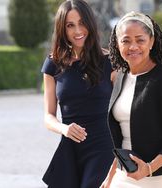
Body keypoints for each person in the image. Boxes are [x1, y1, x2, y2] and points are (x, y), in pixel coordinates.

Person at [101, 11, 162, 188]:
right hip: (124, 175)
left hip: (161, 178)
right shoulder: (119, 77)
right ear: (117, 44)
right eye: (126, 40)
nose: (133, 46)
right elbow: (122, 135)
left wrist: (149, 168)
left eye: (140, 40)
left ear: (151, 42)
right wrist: (110, 176)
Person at [40, 0, 114, 187]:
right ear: (62, 29)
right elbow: (48, 117)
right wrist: (64, 128)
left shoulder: (110, 63)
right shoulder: (52, 65)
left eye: (82, 23)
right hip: (70, 148)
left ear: (90, 23)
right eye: (70, 25)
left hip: (103, 148)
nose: (78, 31)